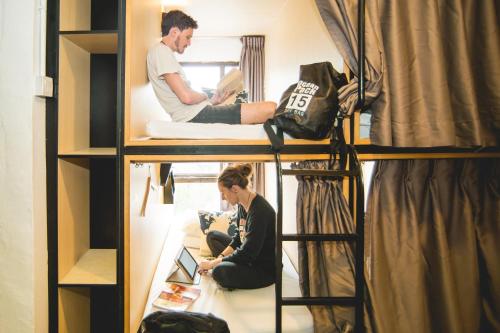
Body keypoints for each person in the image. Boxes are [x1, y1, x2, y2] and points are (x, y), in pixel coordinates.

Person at [147, 10, 276, 124]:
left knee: (269, 108)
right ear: (174, 32)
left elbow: (185, 99)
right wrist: (205, 96)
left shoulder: (162, 53)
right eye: (187, 37)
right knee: (270, 108)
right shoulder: (161, 51)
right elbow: (186, 97)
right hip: (194, 116)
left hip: (196, 113)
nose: (189, 43)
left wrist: (213, 101)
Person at [198, 163, 276, 289]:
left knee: (219, 271)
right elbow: (238, 239)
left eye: (223, 192)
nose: (223, 198)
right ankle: (226, 266)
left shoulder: (260, 211)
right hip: (249, 256)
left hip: (262, 269)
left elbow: (246, 253)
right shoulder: (242, 206)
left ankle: (228, 270)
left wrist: (212, 264)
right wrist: (220, 258)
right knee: (212, 236)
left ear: (234, 189)